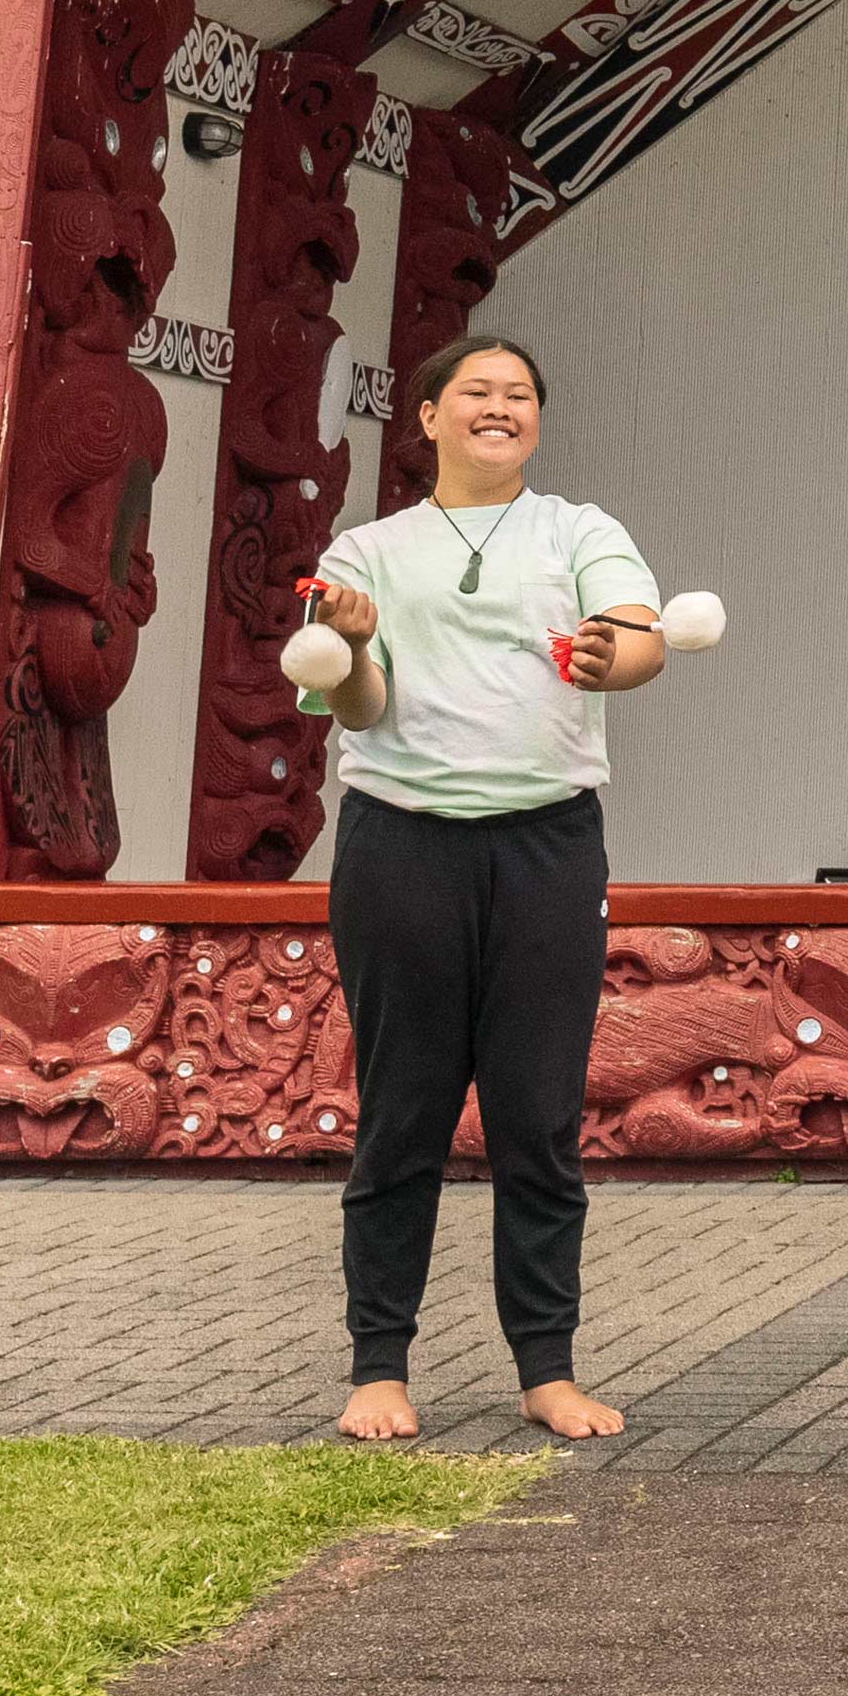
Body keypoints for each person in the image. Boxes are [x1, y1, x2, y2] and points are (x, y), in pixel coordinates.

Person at [293, 335, 666, 1449]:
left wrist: (615, 656)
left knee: (537, 1117)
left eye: (518, 396)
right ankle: (378, 1366)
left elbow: (639, 641)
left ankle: (546, 1369)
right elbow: (355, 708)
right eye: (476, 393)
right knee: (401, 1111)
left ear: (536, 422)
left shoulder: (579, 530)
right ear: (427, 416)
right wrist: (352, 649)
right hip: (400, 845)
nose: (498, 408)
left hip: (548, 846)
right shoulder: (363, 548)